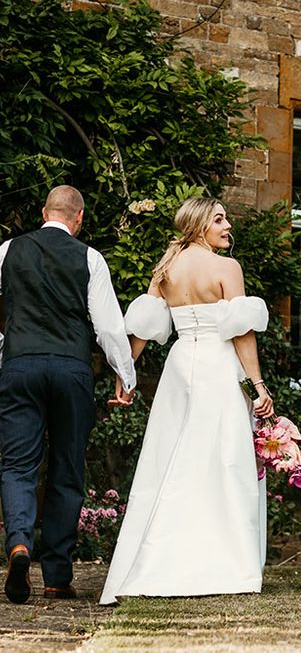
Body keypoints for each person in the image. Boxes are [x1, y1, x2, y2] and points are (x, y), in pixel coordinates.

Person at [99, 197, 273, 605]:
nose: (228, 225)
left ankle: (158, 560)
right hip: (217, 366)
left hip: (180, 367)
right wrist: (258, 384)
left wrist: (127, 376)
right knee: (223, 461)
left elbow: (142, 329)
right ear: (198, 226)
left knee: (169, 458)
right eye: (219, 219)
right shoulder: (227, 268)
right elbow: (241, 332)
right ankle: (225, 562)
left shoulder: (167, 269)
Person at [0, 185, 136, 604]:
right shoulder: (89, 258)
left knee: (17, 465)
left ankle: (19, 543)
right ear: (79, 218)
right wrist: (124, 374)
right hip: (71, 369)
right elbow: (109, 326)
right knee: (67, 468)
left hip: (20, 365)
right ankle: (57, 575)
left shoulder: (7, 250)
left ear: (45, 212)